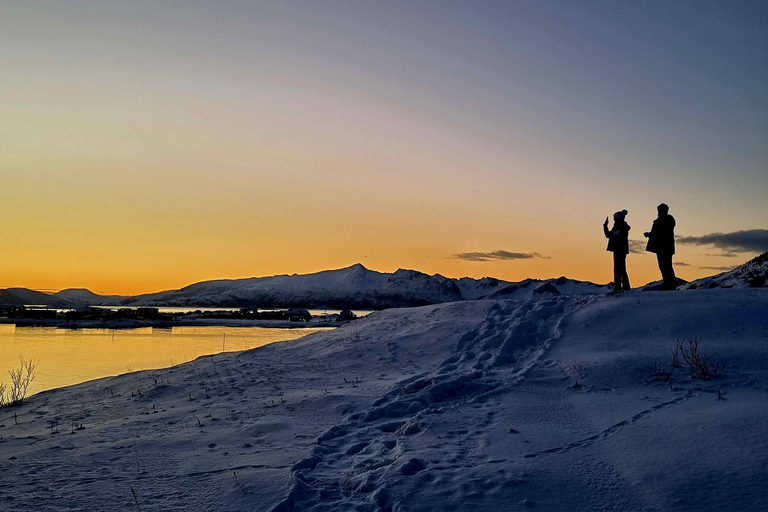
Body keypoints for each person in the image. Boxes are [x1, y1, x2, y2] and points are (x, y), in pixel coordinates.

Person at [644, 203, 677, 290]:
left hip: (662, 247)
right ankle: (669, 284)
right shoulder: (668, 221)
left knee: (664, 266)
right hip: (667, 247)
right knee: (666, 266)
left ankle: (668, 285)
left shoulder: (661, 221)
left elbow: (659, 234)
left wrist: (649, 235)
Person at [603, 210, 631, 292]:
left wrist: (605, 226)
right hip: (621, 249)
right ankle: (624, 287)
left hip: (618, 249)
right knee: (621, 268)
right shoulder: (623, 227)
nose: (614, 220)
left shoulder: (620, 227)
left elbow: (608, 235)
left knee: (618, 269)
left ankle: (619, 287)